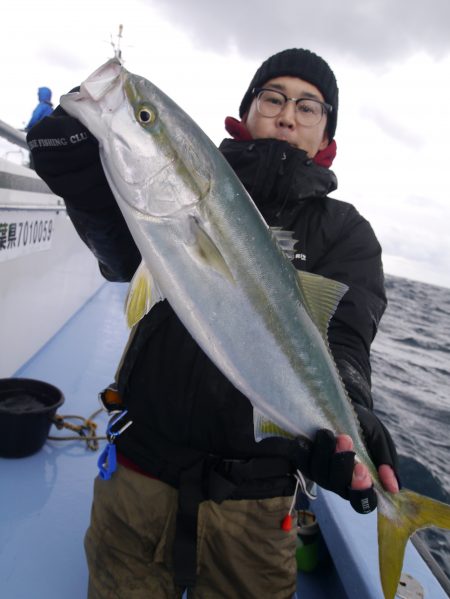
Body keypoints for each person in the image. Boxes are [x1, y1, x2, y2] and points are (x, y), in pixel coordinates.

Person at [26, 48, 400, 599]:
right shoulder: (184, 187)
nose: (287, 114)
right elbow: (122, 258)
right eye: (272, 97)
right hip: (139, 475)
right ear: (245, 111)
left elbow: (343, 335)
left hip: (257, 508)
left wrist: (353, 407)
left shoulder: (344, 232)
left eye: (308, 106)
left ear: (327, 136)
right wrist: (83, 184)